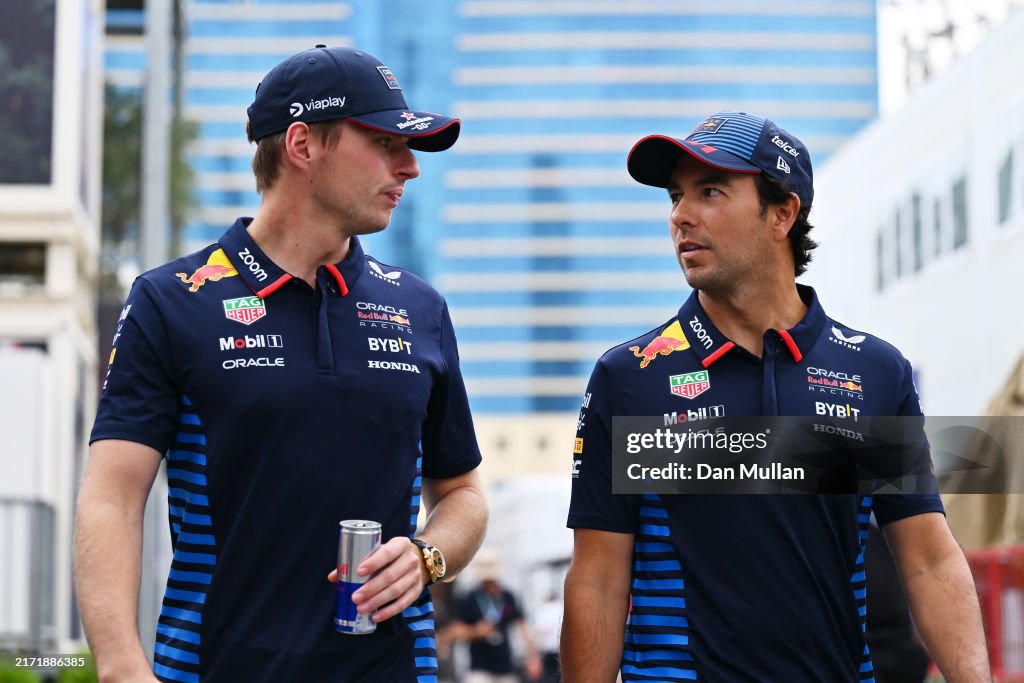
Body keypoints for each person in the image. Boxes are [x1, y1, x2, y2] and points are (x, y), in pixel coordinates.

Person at [74, 45, 488, 683]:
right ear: (303, 145)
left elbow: (461, 493)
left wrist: (428, 555)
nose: (409, 168)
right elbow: (113, 499)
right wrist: (122, 668)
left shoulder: (420, 307)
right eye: (384, 143)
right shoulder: (171, 300)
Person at [561, 111, 990, 682]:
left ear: (783, 213)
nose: (680, 216)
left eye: (710, 191)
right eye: (674, 196)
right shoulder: (630, 375)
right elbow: (598, 579)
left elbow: (929, 560)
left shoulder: (872, 370)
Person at [448, 551, 543, 683]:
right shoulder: (468, 598)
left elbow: (523, 629)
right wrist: (476, 632)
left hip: (506, 668)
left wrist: (533, 657)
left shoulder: (508, 597)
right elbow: (455, 632)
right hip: (479, 669)